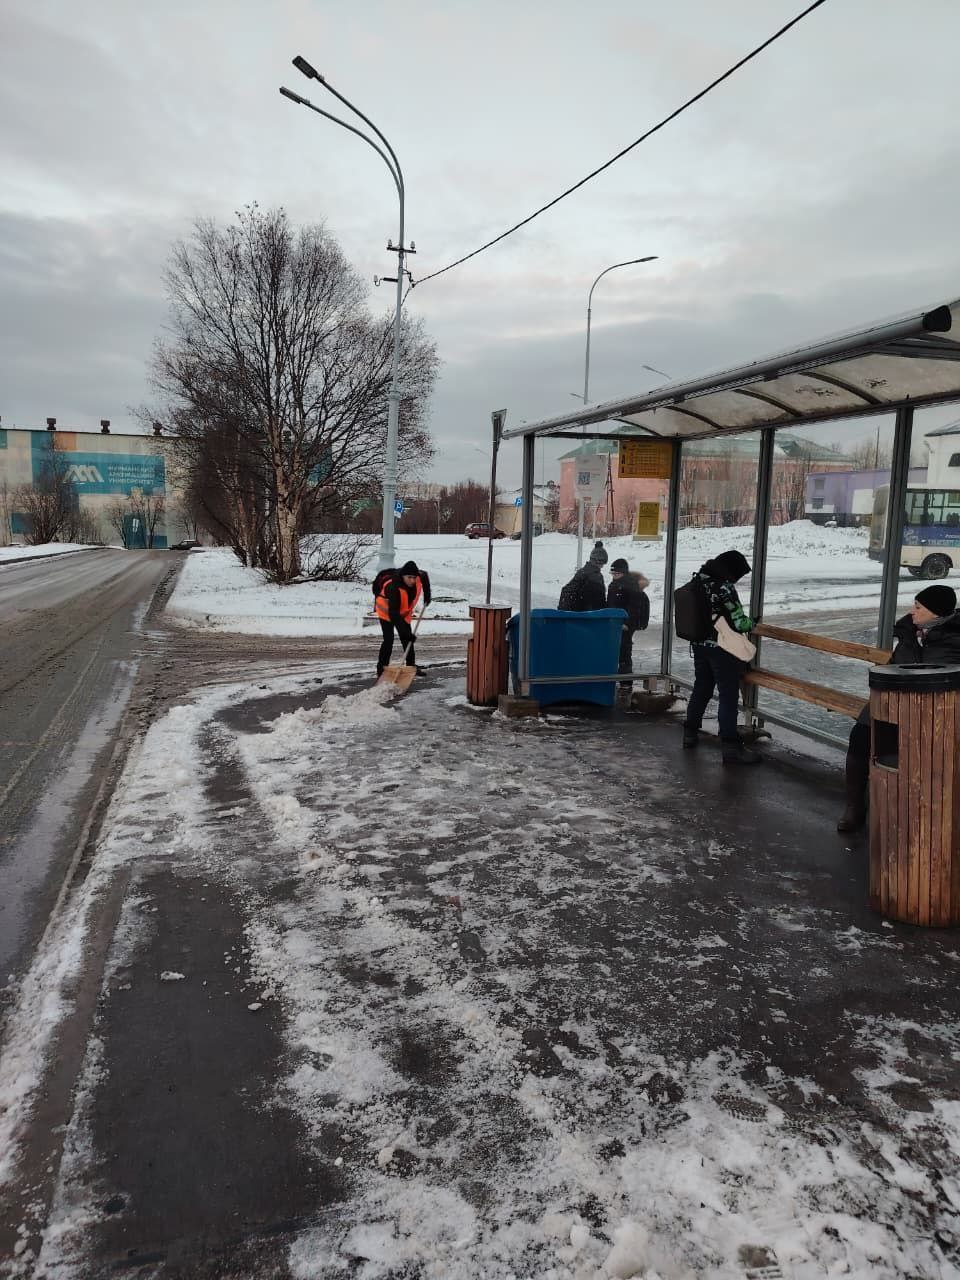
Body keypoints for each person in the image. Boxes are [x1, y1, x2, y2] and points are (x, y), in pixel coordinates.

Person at [837, 584, 960, 831]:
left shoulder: (954, 641)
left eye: (918, 607)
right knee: (860, 737)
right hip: (891, 706)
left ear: (936, 613)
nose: (911, 611)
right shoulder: (909, 634)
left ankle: (916, 816)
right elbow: (893, 665)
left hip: (934, 716)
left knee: (919, 755)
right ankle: (855, 807)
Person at [682, 549, 761, 766]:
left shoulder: (699, 581)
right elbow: (739, 622)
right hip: (721, 649)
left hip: (699, 644)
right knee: (727, 696)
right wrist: (753, 623)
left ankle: (689, 733)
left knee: (702, 688)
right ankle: (731, 748)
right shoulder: (724, 587)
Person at [373, 560, 431, 676]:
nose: (412, 580)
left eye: (414, 577)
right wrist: (406, 633)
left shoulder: (419, 576)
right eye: (409, 577)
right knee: (388, 640)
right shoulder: (393, 587)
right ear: (403, 576)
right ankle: (381, 669)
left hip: (403, 611)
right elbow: (394, 614)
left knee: (407, 640)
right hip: (386, 611)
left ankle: (411, 667)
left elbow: (425, 577)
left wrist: (427, 595)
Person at [607, 558, 650, 674]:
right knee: (617, 649)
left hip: (626, 625)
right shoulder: (613, 585)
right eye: (613, 573)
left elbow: (634, 607)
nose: (614, 575)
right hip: (616, 622)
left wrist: (627, 623)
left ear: (624, 573)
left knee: (624, 649)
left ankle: (625, 680)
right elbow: (610, 603)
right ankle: (621, 675)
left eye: (617, 573)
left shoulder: (631, 586)